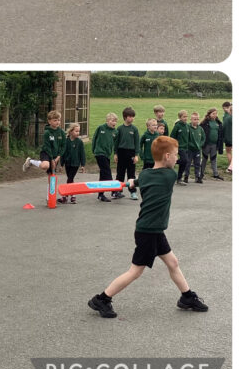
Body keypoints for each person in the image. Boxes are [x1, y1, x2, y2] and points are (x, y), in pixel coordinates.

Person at [88, 136, 209, 318]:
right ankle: (102, 299)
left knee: (173, 263)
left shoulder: (145, 175)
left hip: (153, 229)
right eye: (175, 155)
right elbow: (179, 164)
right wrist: (134, 182)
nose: (177, 159)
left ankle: (187, 296)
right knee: (135, 271)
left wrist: (132, 182)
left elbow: (142, 179)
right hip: (149, 231)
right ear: (167, 156)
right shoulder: (170, 176)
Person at [22, 110, 66, 178]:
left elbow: (63, 146)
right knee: (45, 166)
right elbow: (47, 147)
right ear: (49, 121)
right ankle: (30, 161)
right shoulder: (47, 133)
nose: (57, 122)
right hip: (46, 152)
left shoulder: (62, 132)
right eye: (55, 120)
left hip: (56, 155)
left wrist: (58, 157)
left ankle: (51, 185)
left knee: (52, 174)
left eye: (59, 120)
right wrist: (52, 160)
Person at [91, 113, 119, 202]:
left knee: (103, 174)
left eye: (115, 121)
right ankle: (114, 191)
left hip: (107, 154)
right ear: (107, 121)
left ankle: (100, 194)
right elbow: (94, 139)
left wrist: (114, 153)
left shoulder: (115, 132)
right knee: (107, 172)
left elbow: (115, 144)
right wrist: (94, 150)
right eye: (112, 121)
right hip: (99, 153)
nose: (114, 123)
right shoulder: (101, 128)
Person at [114, 106, 140, 200]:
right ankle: (117, 190)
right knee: (120, 173)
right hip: (121, 152)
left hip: (131, 153)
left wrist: (136, 155)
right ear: (125, 117)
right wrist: (115, 153)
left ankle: (133, 192)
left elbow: (137, 143)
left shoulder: (134, 129)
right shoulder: (119, 128)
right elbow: (116, 142)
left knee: (131, 173)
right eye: (130, 116)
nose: (132, 118)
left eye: (133, 116)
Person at [58, 123, 86, 204]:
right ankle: (72, 195)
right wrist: (61, 164)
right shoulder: (66, 141)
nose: (78, 133)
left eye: (79, 131)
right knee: (70, 179)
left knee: (70, 178)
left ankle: (66, 196)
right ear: (70, 132)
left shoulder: (79, 142)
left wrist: (83, 165)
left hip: (75, 164)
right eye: (76, 131)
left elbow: (82, 154)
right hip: (68, 163)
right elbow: (63, 153)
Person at [201, 107, 224, 180]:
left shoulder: (218, 123)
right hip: (207, 144)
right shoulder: (205, 123)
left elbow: (220, 134)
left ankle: (215, 174)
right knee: (204, 159)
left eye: (216, 113)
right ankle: (201, 173)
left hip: (214, 145)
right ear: (209, 114)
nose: (215, 115)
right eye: (213, 113)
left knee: (214, 159)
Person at [170, 110, 191, 184]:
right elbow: (172, 136)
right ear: (180, 117)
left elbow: (189, 137)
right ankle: (172, 161)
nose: (185, 118)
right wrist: (174, 146)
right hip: (179, 147)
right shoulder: (177, 126)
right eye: (184, 117)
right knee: (185, 160)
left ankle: (179, 178)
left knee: (184, 162)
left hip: (186, 147)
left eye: (186, 116)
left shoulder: (187, 126)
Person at [187, 111, 206, 183]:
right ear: (191, 119)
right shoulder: (188, 128)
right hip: (190, 149)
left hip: (197, 149)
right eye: (194, 119)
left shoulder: (200, 129)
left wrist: (200, 145)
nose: (196, 121)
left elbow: (203, 138)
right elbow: (186, 139)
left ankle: (197, 177)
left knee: (197, 163)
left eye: (197, 119)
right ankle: (186, 176)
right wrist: (191, 145)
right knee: (188, 163)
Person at [222, 101, 232, 173]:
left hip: (228, 138)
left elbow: (224, 127)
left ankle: (231, 167)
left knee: (228, 152)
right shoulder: (227, 115)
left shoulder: (227, 117)